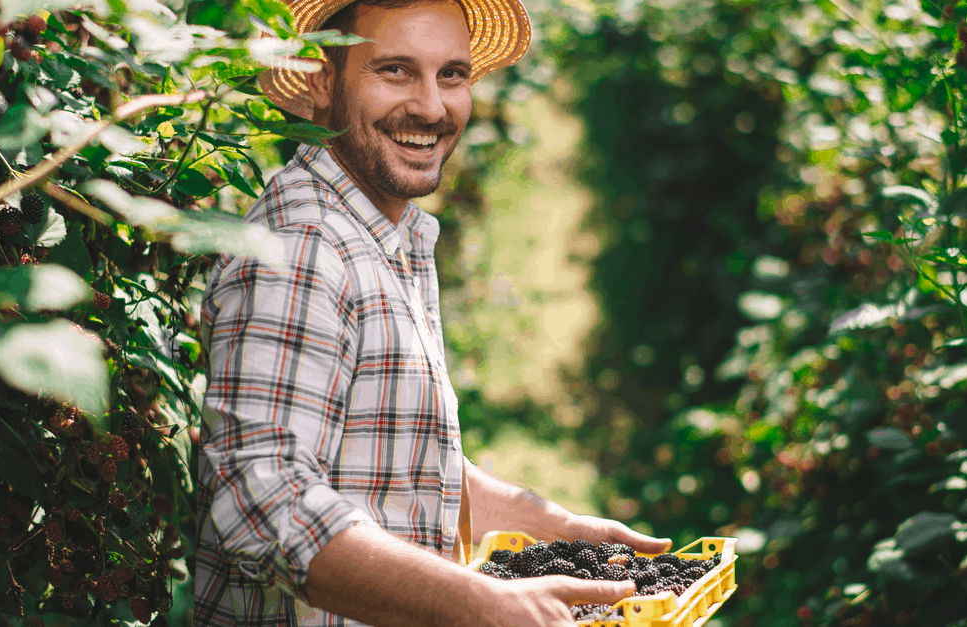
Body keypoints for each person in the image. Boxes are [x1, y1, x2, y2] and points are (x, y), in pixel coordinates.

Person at [194, 0, 672, 624]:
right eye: (394, 70)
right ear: (320, 81)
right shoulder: (306, 248)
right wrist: (478, 603)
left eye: (451, 74)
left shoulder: (383, 237)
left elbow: (386, 459)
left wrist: (548, 526)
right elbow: (262, 500)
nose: (430, 106)